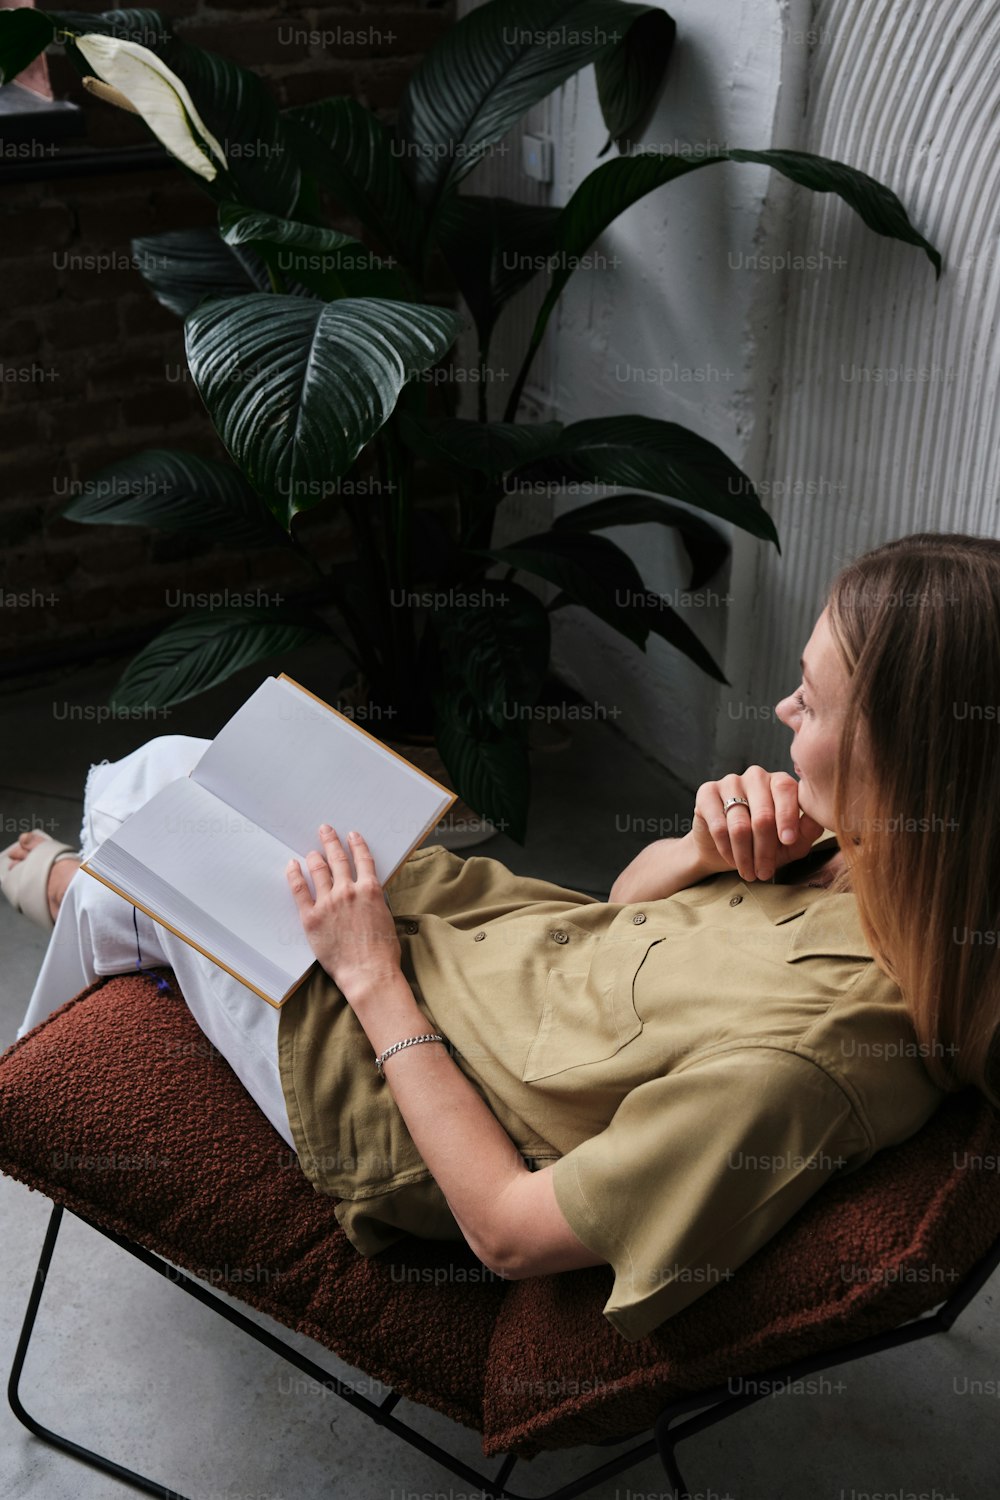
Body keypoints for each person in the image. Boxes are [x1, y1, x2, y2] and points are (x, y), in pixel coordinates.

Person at [4, 530, 997, 1343]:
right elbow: (621, 906)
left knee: (160, 827)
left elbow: (511, 1233)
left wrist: (367, 973)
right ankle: (93, 897)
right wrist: (701, 847)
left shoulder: (808, 1062)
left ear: (912, 763)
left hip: (380, 1074)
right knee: (183, 764)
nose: (780, 710)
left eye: (811, 703)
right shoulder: (869, 854)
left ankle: (62, 953)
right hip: (483, 935)